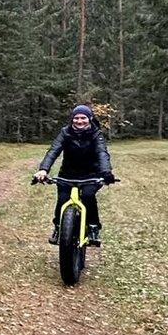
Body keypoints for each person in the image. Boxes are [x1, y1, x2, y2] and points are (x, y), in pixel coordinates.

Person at [33, 104, 118, 246]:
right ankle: (58, 228)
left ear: (89, 119)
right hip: (67, 174)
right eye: (76, 118)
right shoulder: (65, 132)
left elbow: (101, 153)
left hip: (91, 174)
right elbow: (54, 150)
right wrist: (43, 169)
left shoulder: (96, 134)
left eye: (83, 118)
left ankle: (93, 228)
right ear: (72, 119)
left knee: (88, 196)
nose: (79, 121)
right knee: (62, 199)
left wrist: (106, 172)